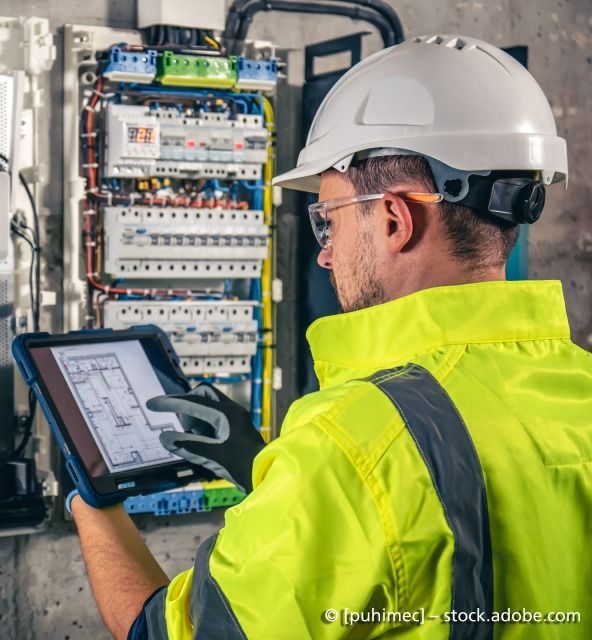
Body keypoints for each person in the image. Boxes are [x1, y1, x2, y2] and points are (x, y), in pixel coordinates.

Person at [66, 34, 592, 639]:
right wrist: (263, 469)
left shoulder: (351, 445)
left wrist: (92, 501)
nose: (326, 254)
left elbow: (163, 633)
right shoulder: (575, 390)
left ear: (395, 219)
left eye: (330, 218)